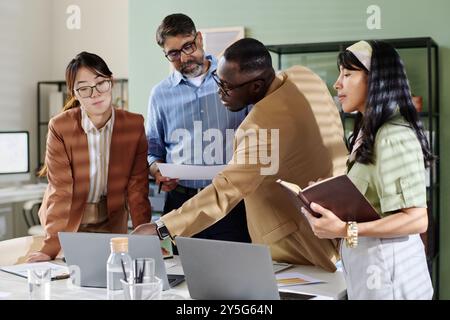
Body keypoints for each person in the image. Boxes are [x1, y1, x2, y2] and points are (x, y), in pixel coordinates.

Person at [134, 38, 348, 272]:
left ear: (256, 86)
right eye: (218, 80)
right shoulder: (302, 76)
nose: (219, 92)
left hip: (294, 244)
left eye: (226, 86)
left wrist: (162, 228)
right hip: (333, 220)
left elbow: (226, 190)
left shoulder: (260, 128)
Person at [302, 40, 434, 299]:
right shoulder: (367, 131)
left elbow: (417, 219)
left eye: (348, 74)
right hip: (371, 271)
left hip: (391, 277)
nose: (337, 83)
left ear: (375, 80)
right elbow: (371, 202)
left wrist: (344, 229)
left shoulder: (393, 134)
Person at [27, 52, 151, 262]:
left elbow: (137, 189)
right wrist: (49, 249)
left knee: (109, 278)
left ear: (111, 82)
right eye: (84, 88)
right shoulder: (60, 127)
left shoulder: (133, 125)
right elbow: (61, 192)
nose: (95, 94)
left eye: (101, 83)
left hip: (110, 219)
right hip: (67, 222)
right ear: (74, 93)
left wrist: (146, 243)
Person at [146, 13, 250, 244]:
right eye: (173, 53)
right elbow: (152, 148)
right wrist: (157, 171)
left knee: (235, 273)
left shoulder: (234, 81)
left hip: (230, 203)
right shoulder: (159, 94)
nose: (184, 57)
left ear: (200, 39)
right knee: (184, 275)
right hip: (180, 204)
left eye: (188, 46)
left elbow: (255, 137)